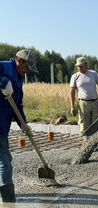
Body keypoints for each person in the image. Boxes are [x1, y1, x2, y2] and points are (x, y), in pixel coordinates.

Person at [0, 49, 38, 203]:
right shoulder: (3, 68)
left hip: (3, 123)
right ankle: (9, 201)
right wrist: (1, 81)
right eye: (28, 67)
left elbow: (17, 105)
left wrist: (23, 123)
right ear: (20, 61)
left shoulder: (18, 79)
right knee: (4, 160)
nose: (28, 71)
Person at [70, 56, 98, 133]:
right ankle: (86, 142)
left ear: (86, 65)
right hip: (83, 104)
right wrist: (72, 106)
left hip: (95, 103)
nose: (79, 68)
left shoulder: (93, 74)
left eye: (81, 66)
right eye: (78, 66)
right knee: (84, 126)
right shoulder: (75, 76)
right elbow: (72, 92)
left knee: (96, 125)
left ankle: (95, 143)